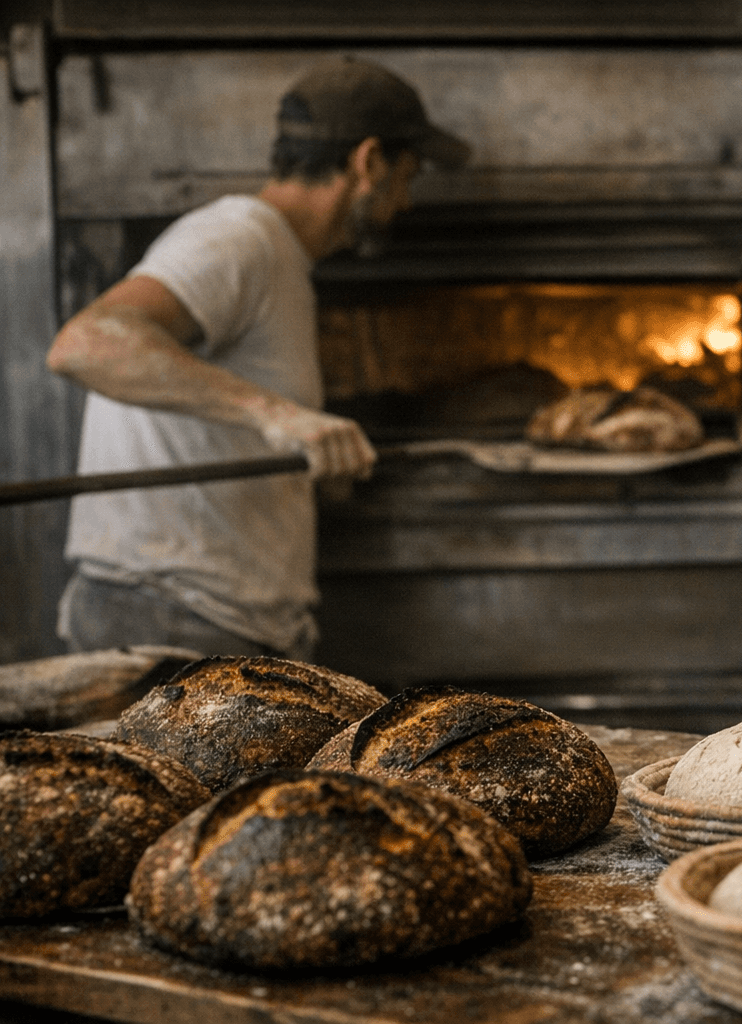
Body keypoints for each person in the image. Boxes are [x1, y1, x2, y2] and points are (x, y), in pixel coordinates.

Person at [47, 56, 470, 660]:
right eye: (408, 175)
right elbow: (87, 344)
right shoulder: (236, 239)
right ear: (368, 162)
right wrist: (283, 416)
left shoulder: (279, 259)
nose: (404, 202)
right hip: (167, 621)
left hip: (213, 621)